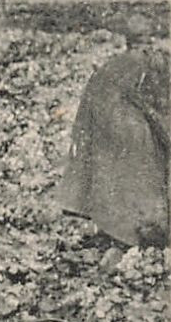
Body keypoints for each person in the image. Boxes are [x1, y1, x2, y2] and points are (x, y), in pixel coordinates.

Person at [55, 15, 169, 248]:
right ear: (151, 40)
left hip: (99, 120)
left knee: (111, 174)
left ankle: (116, 226)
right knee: (141, 170)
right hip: (122, 120)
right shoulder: (152, 64)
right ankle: (136, 230)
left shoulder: (115, 63)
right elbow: (157, 108)